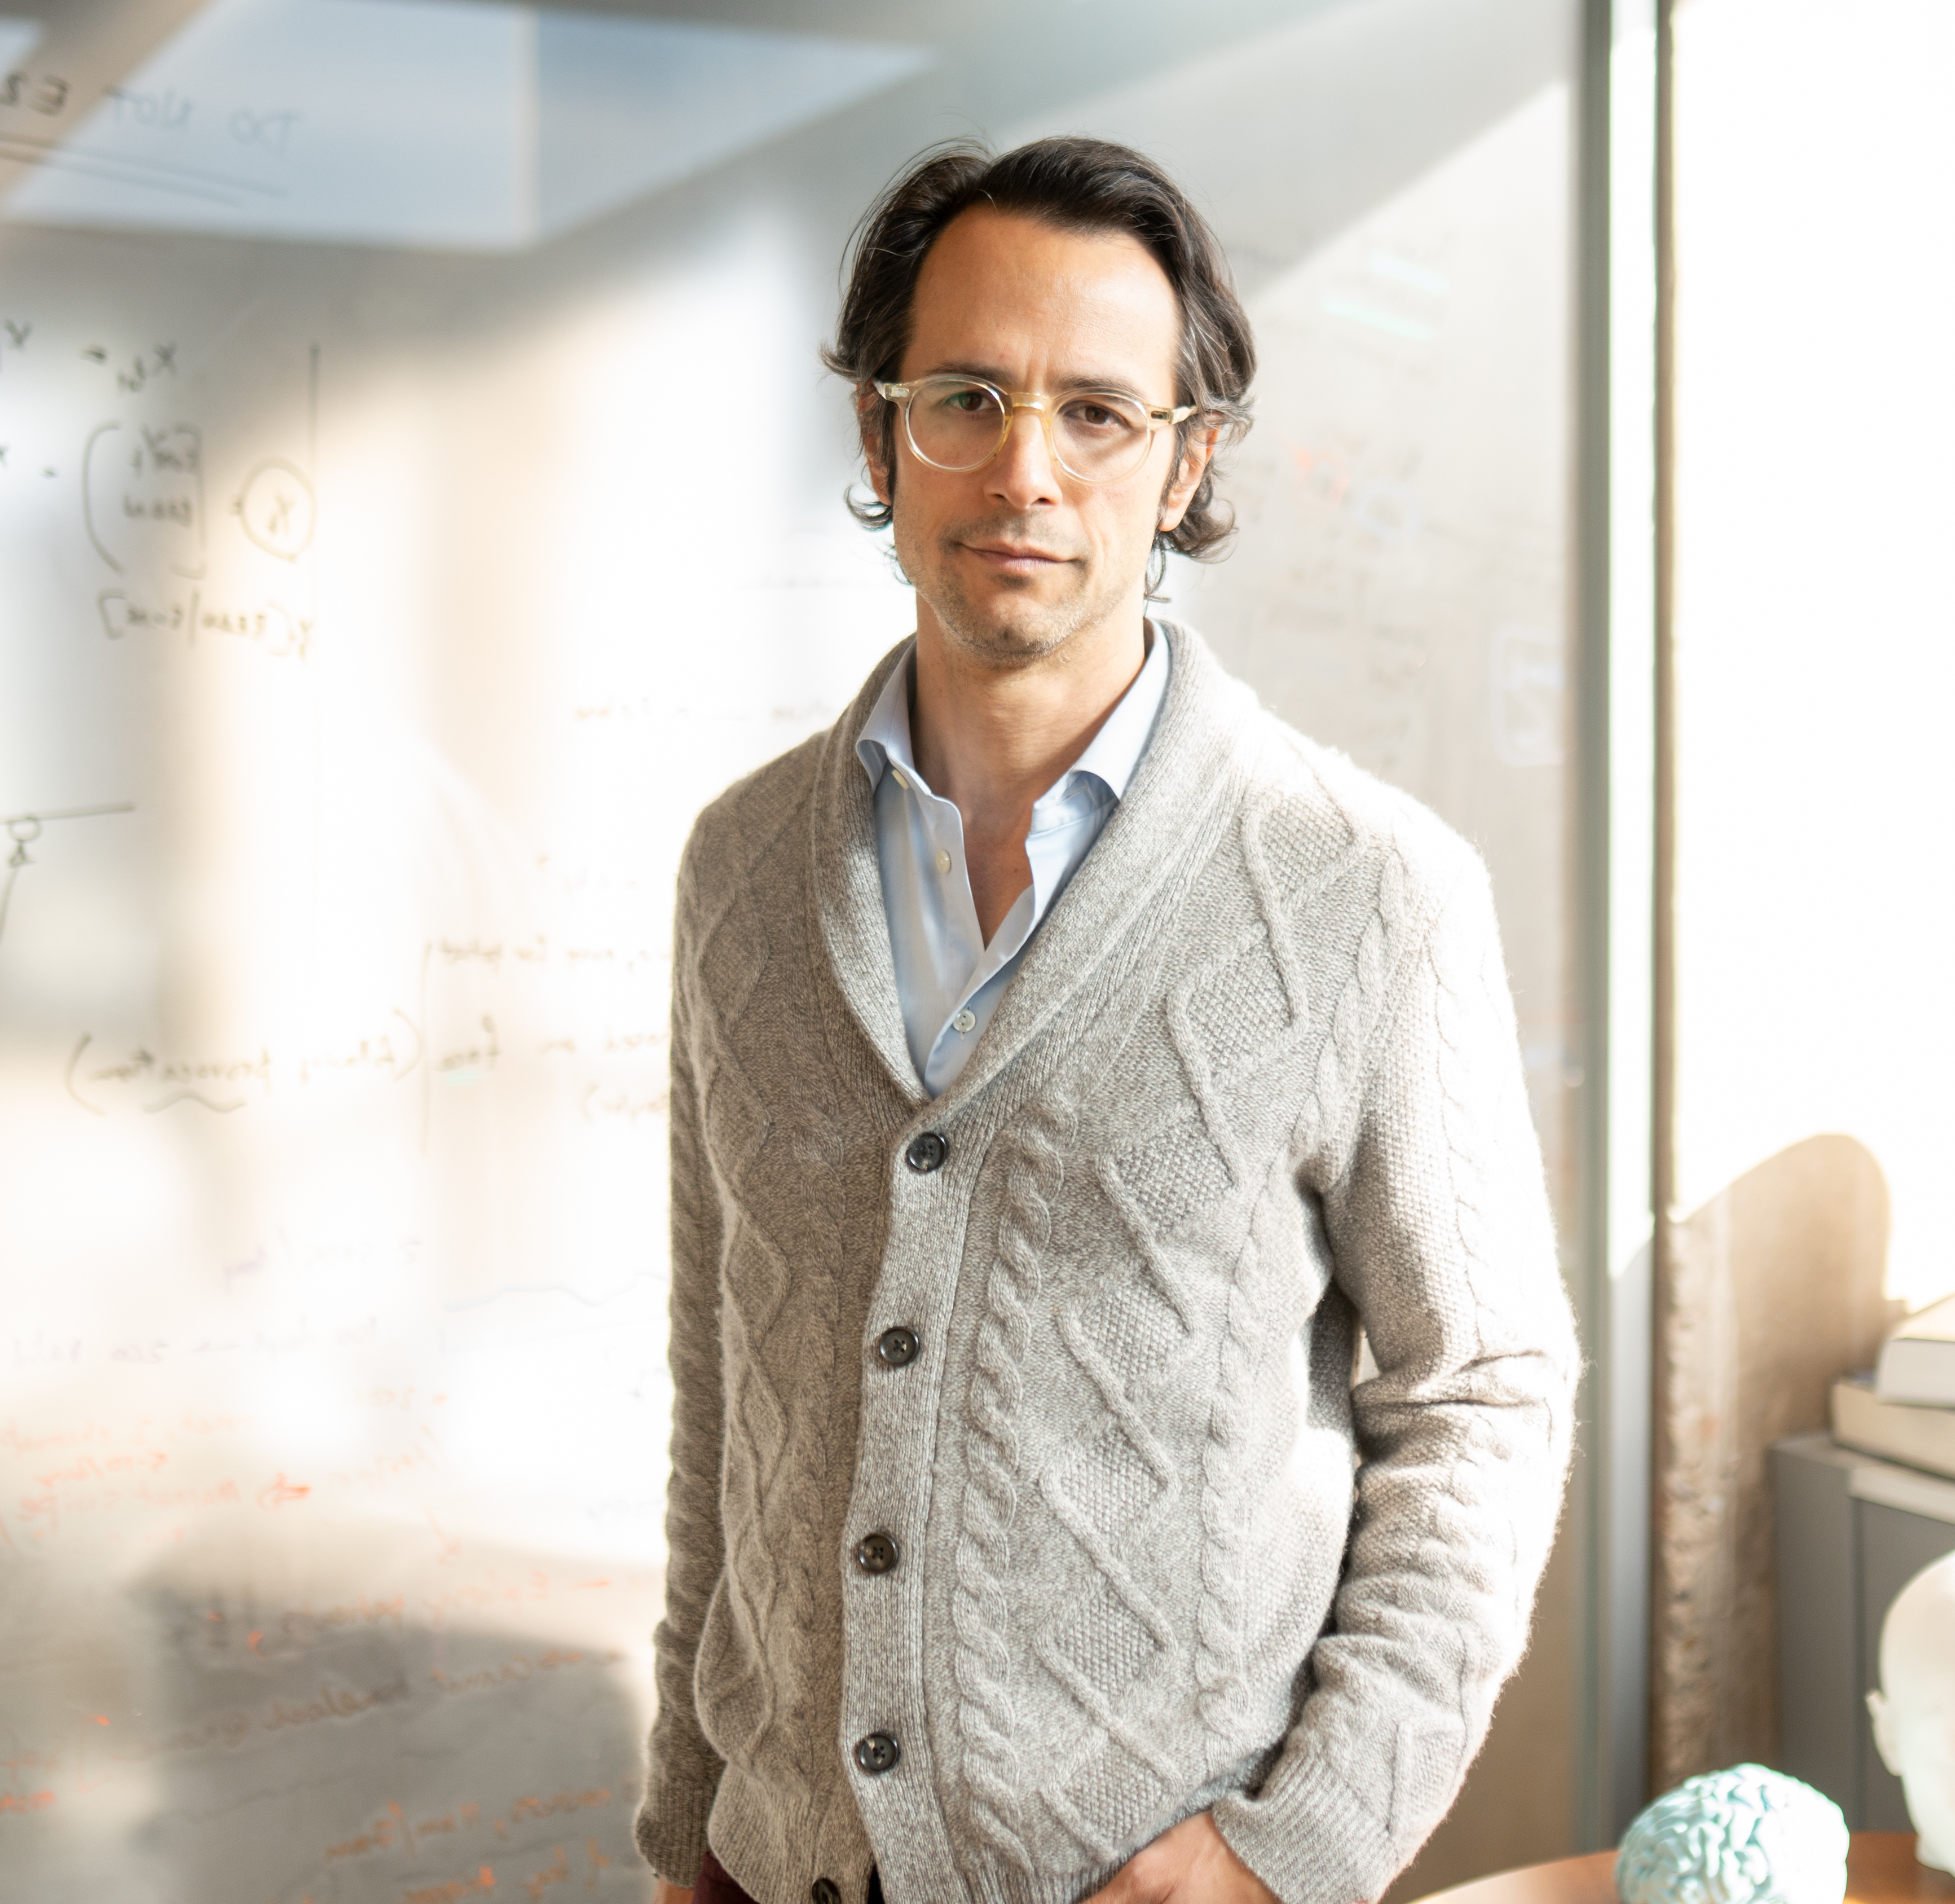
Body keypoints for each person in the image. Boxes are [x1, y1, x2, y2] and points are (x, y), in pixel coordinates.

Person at [633, 134, 1577, 1904]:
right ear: (875, 434)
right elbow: (725, 1398)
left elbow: (1486, 1399)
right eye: (965, 398)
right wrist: (687, 1825)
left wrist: (1290, 1850)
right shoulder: (737, 876)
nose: (1023, 471)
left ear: (1187, 462)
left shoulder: (1368, 890)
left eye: (1096, 414)